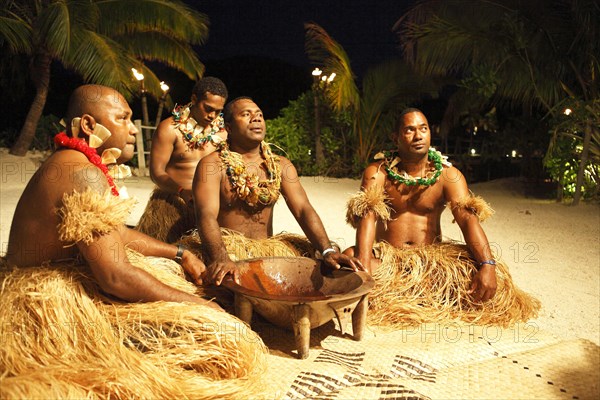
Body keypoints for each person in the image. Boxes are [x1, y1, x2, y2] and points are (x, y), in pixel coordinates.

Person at [1, 84, 266, 398]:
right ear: (88, 125)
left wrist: (180, 253)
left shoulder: (80, 163)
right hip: (40, 307)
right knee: (220, 335)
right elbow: (115, 277)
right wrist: (202, 308)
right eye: (123, 118)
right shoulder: (81, 172)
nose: (132, 130)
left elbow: (118, 234)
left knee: (174, 279)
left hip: (61, 279)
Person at [344, 108, 540, 327]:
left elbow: (467, 220)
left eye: (423, 129)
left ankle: (413, 292)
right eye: (409, 130)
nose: (418, 136)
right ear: (395, 137)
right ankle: (402, 292)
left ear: (430, 133)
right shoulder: (377, 172)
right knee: (347, 261)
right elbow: (367, 216)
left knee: (482, 275)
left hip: (430, 262)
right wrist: (363, 262)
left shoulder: (449, 175)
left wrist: (487, 264)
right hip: (387, 259)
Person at [190, 97, 363, 286]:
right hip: (228, 251)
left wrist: (327, 251)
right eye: (246, 114)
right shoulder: (212, 165)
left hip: (269, 254)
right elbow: (206, 215)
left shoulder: (280, 165)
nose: (255, 119)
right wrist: (220, 257)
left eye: (259, 115)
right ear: (229, 128)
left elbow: (303, 209)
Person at [136, 77, 228, 243]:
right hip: (172, 205)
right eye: (208, 108)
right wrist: (181, 191)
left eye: (217, 111)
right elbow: (156, 172)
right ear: (194, 99)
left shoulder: (224, 134)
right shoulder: (170, 129)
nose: (212, 115)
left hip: (211, 207)